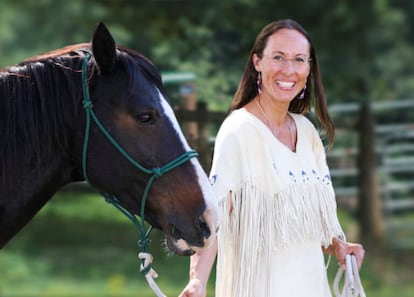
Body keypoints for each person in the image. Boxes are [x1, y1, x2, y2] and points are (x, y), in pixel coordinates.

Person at [179, 19, 365, 297]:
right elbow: (213, 219)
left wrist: (337, 245)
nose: (289, 69)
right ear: (257, 62)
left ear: (309, 68)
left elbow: (305, 224)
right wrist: (197, 281)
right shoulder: (238, 131)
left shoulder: (307, 131)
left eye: (299, 59)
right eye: (278, 57)